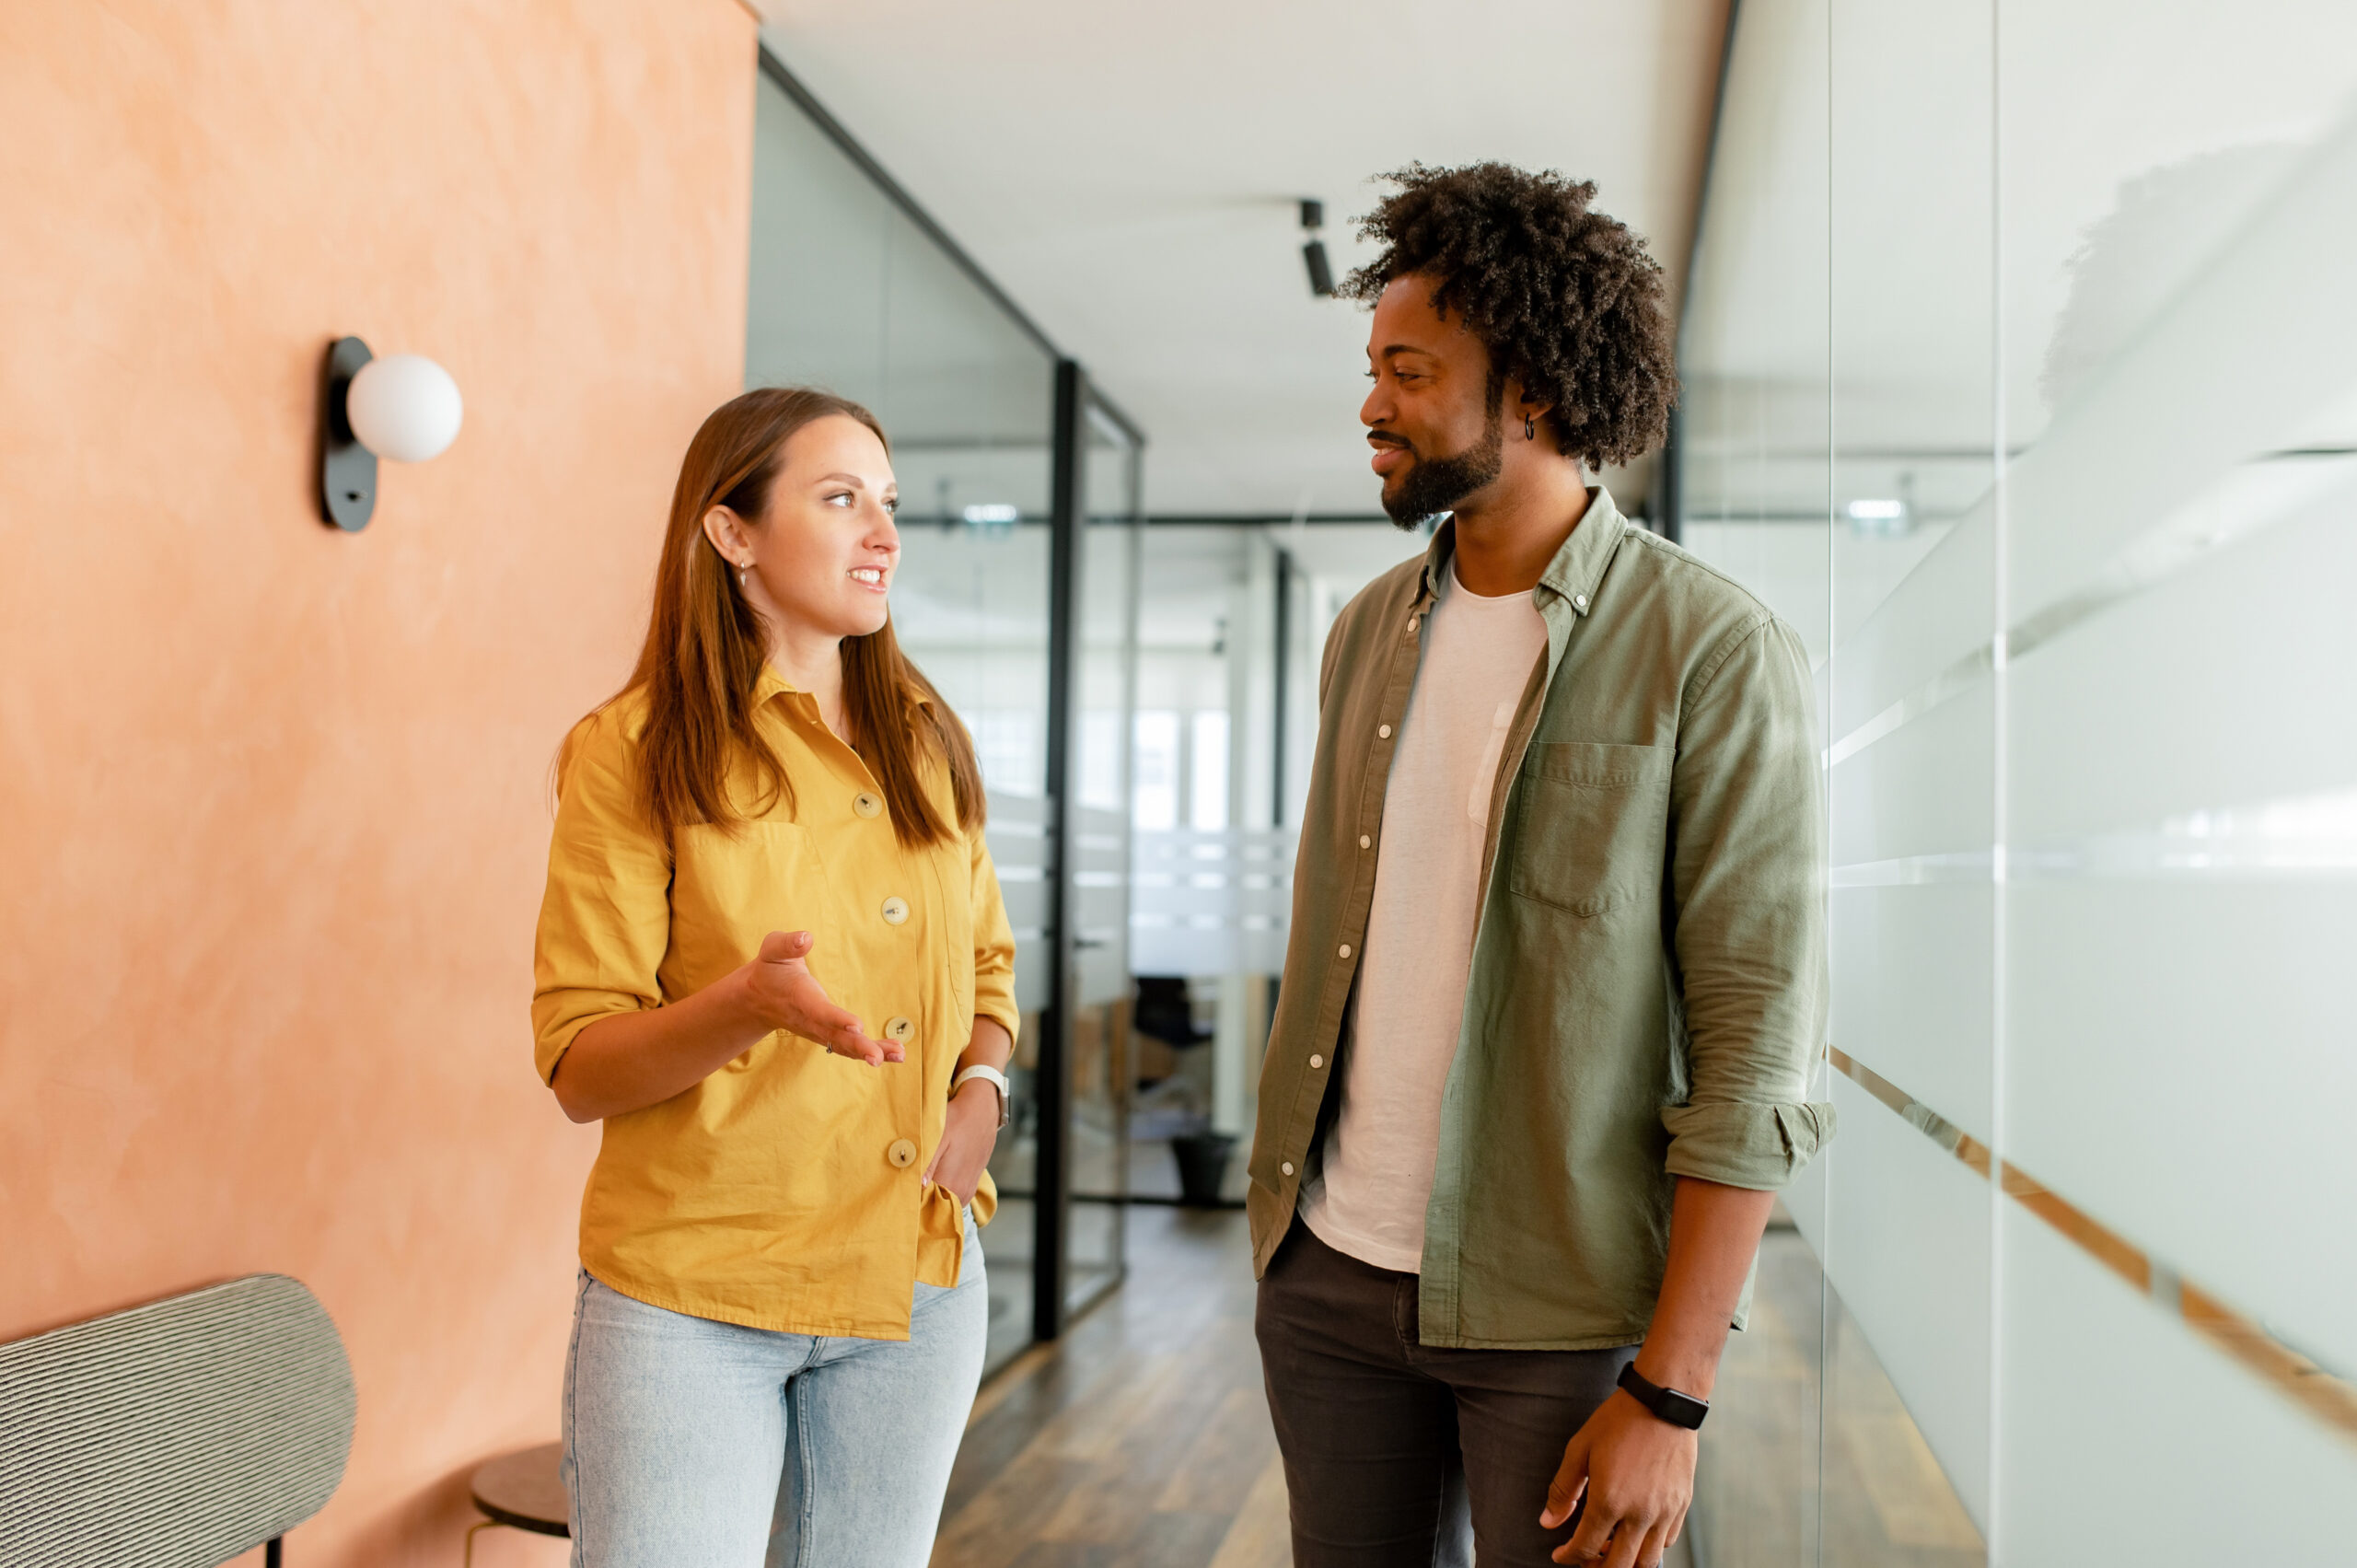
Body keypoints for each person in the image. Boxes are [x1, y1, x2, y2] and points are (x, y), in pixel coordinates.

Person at [1249, 163, 1834, 1568]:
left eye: (1408, 368)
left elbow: (1757, 1044)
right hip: (1329, 1274)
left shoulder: (1712, 648)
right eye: (1372, 367)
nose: (1372, 404)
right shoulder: (1367, 631)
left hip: (1569, 1315)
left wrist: (1673, 1386)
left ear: (1533, 391)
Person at [530, 387, 1017, 1568]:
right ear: (732, 532)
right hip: (693, 1296)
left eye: (888, 503)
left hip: (917, 1278)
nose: (884, 534)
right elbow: (579, 1063)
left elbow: (990, 962)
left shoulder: (926, 736)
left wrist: (984, 1090)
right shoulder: (634, 748)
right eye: (841, 498)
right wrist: (743, 1005)